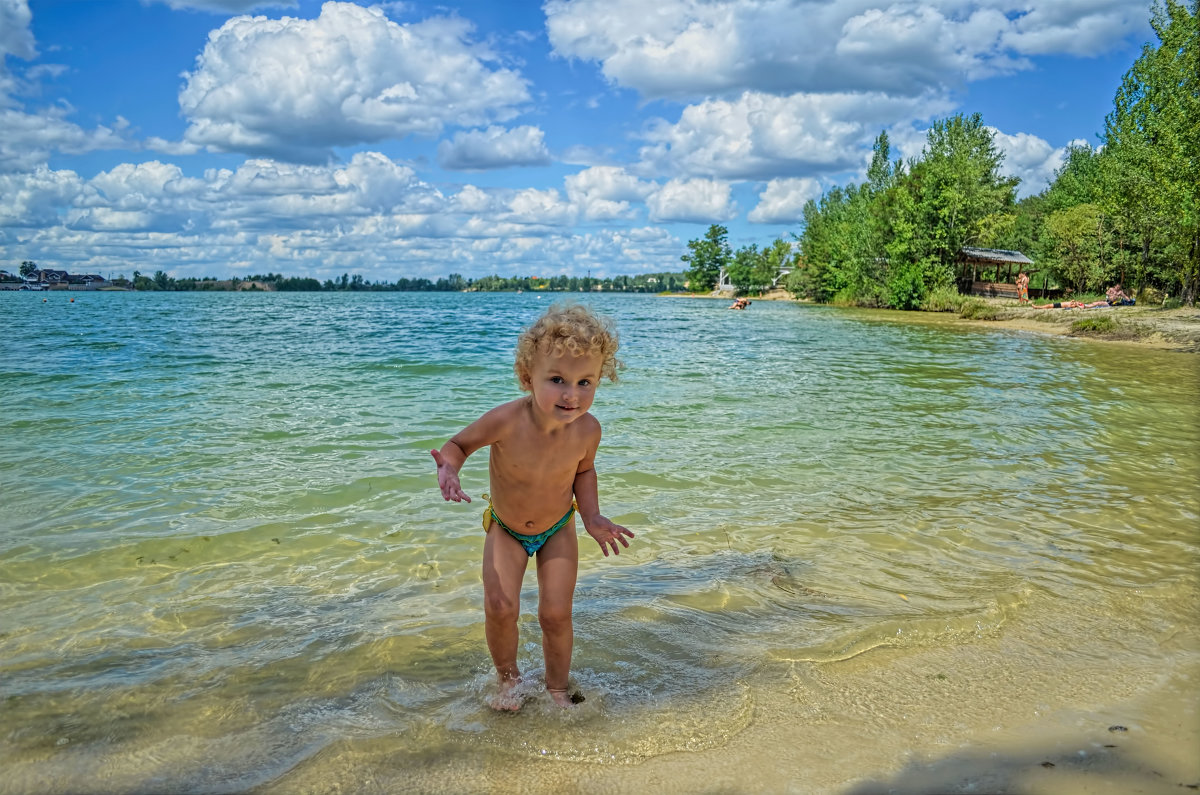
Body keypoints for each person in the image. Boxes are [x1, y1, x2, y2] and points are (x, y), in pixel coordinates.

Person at [430, 303, 634, 710]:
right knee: (500, 606)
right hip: (506, 528)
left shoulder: (588, 430)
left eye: (585, 382)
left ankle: (557, 688)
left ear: (599, 381)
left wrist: (592, 516)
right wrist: (449, 469)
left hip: (558, 527)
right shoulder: (507, 420)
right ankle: (509, 681)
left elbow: (584, 472)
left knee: (556, 613)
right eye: (557, 379)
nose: (571, 394)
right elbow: (458, 445)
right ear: (528, 377)